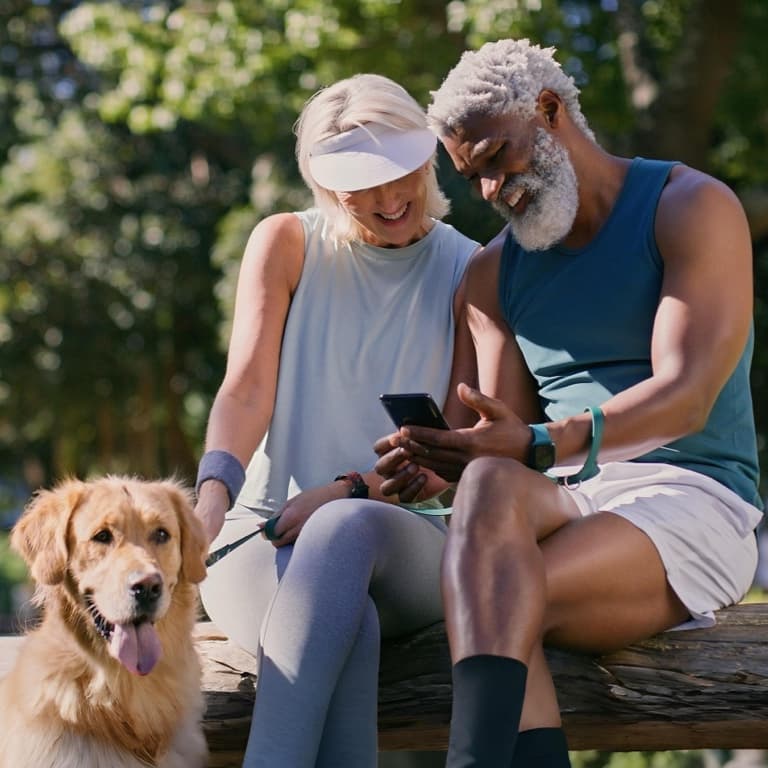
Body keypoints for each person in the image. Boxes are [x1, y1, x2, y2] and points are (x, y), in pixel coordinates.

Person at [374, 39, 763, 767]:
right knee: (489, 496)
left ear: (548, 111)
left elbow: (685, 400)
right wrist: (443, 466)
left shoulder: (690, 206)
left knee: (501, 601)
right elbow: (502, 443)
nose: (490, 190)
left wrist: (539, 445)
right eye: (472, 176)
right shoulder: (492, 277)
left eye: (496, 158)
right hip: (567, 502)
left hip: (691, 496)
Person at [193, 72, 479, 768]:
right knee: (352, 626)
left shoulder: (475, 268)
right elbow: (245, 390)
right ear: (326, 183)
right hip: (263, 535)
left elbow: (452, 456)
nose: (389, 198)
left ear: (427, 153)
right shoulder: (285, 242)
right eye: (362, 181)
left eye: (399, 171)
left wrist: (346, 491)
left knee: (343, 532)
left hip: (407, 538)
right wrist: (206, 508)